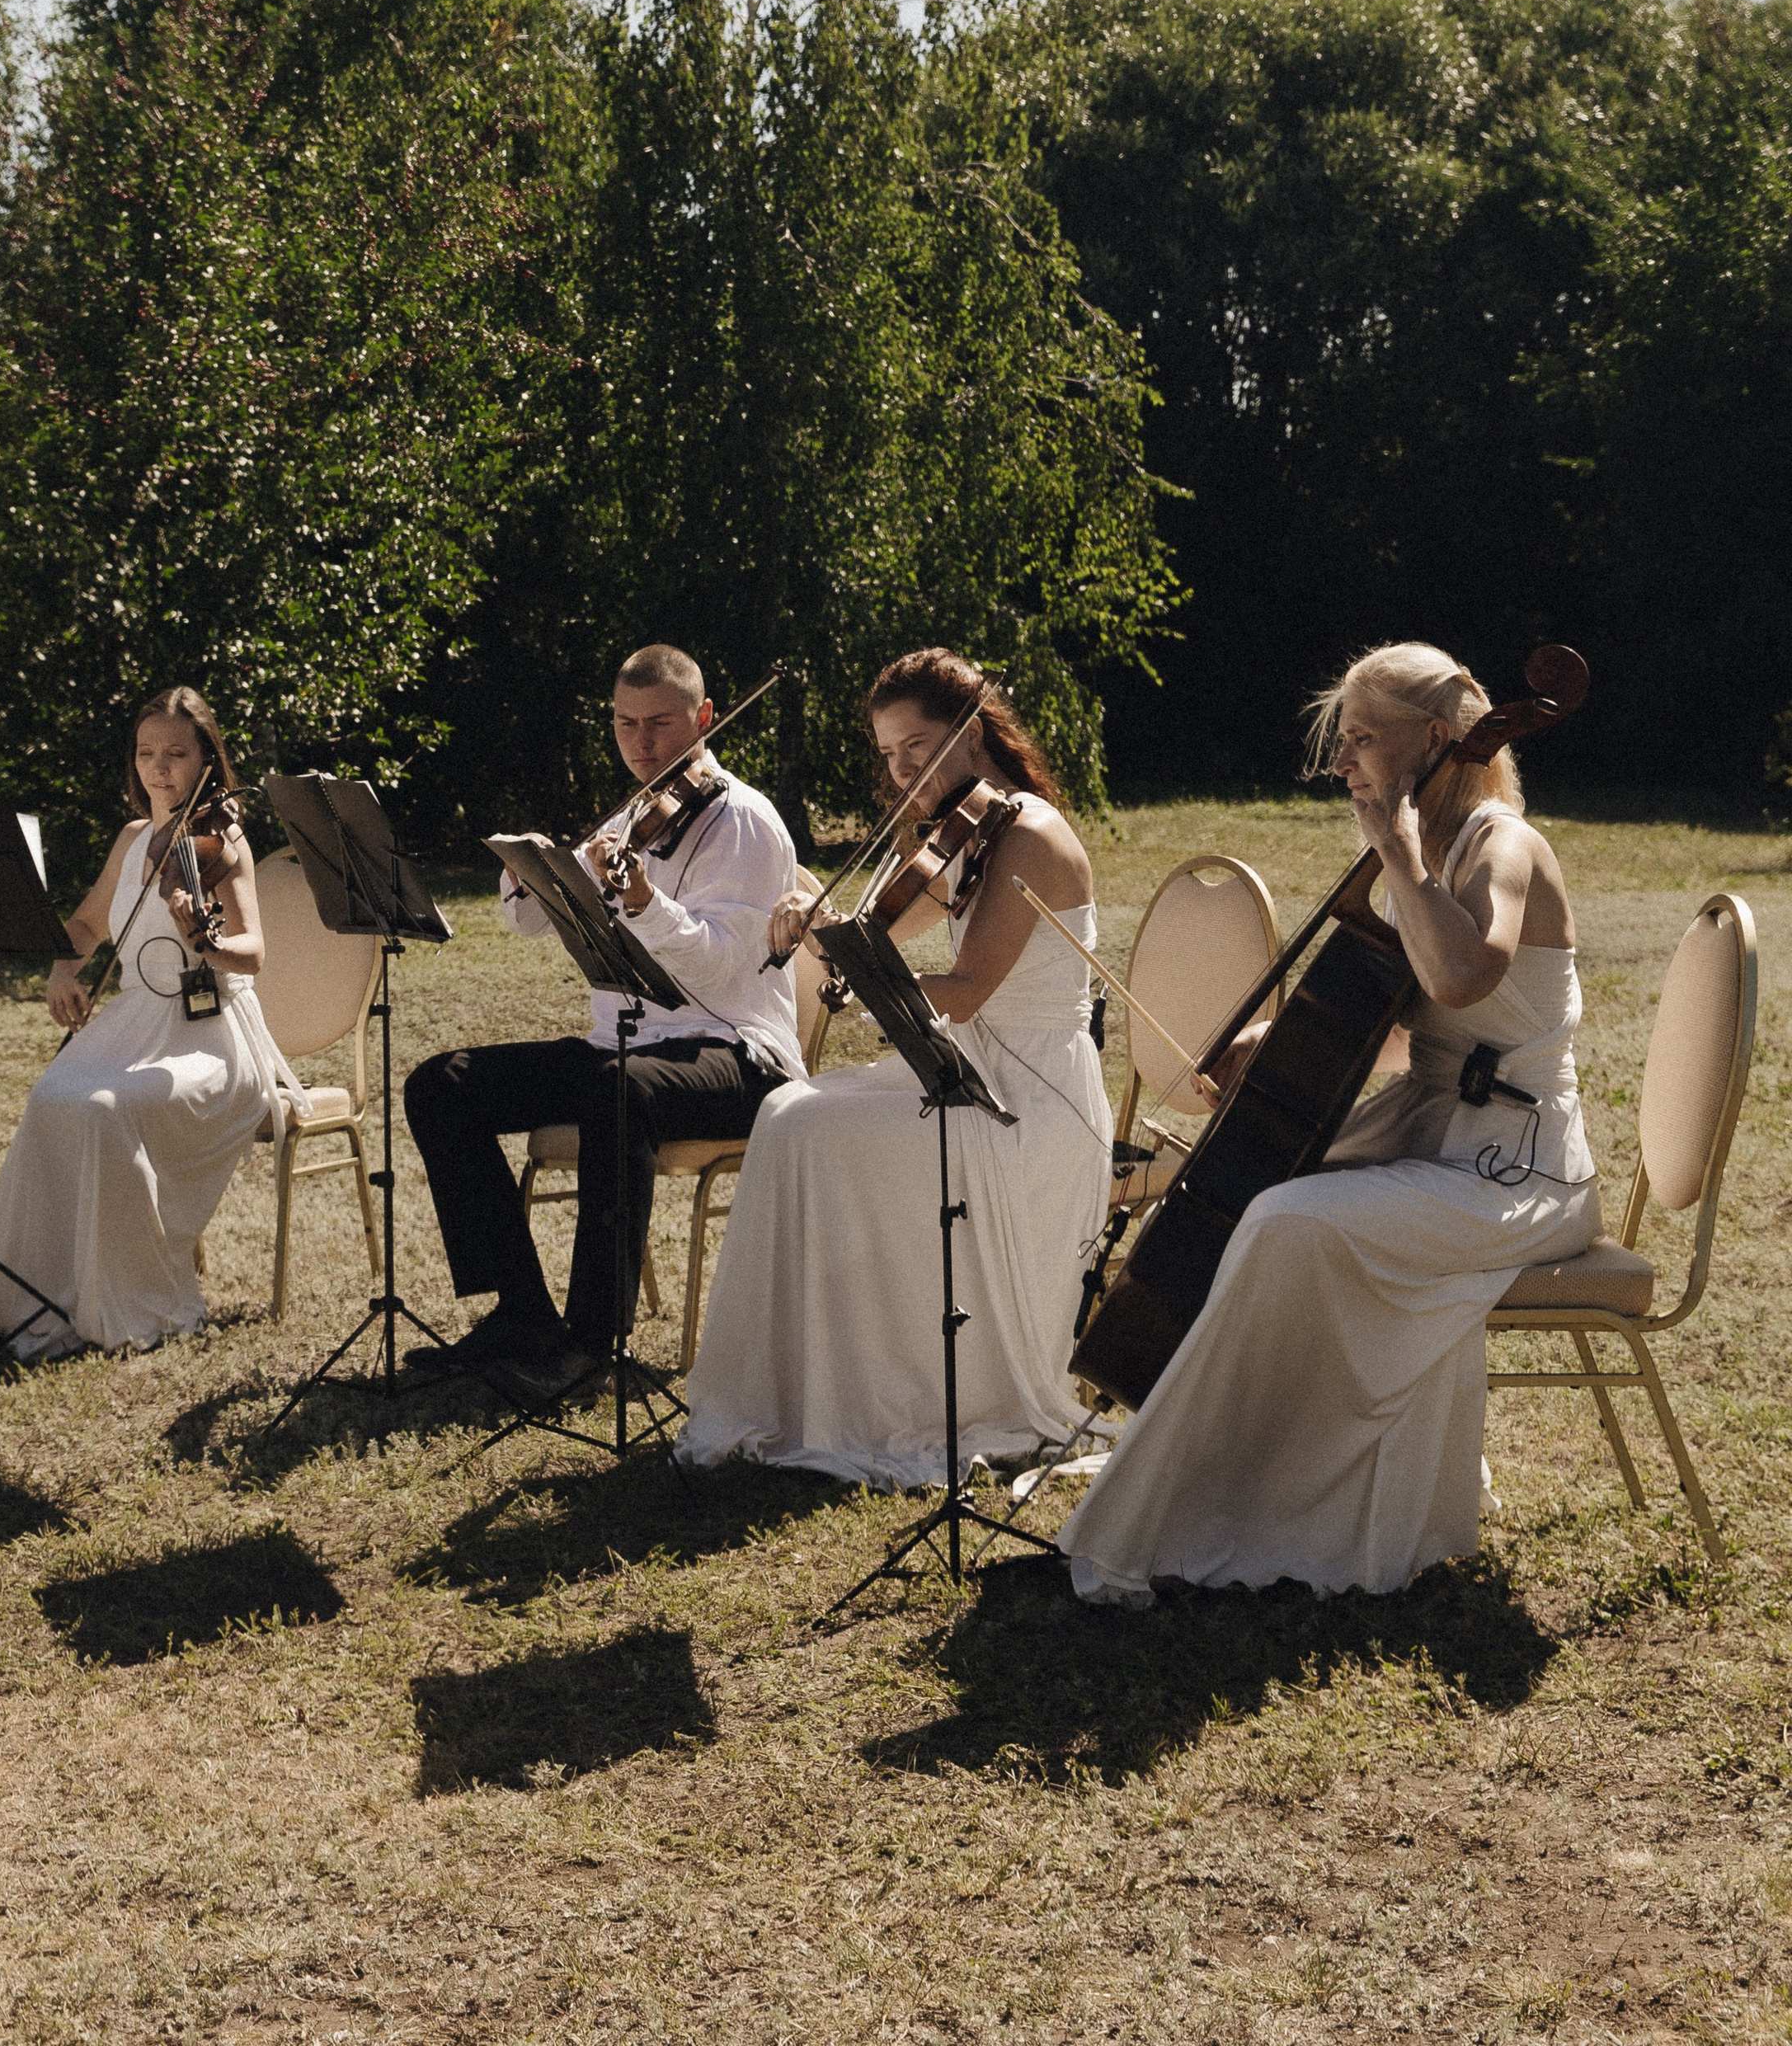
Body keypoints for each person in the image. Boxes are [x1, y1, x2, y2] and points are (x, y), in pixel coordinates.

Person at [1060, 642, 1604, 1605]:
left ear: (1436, 741)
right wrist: (1277, 1036)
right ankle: (1235, 1483)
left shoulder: (1498, 842)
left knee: (1286, 1222)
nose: (1342, 762)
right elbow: (1413, 1022)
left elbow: (1463, 977)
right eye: (1341, 741)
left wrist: (1397, 852)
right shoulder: (1426, 851)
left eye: (1360, 739)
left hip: (1519, 1174)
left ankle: (1264, 1503)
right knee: (1257, 1189)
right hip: (1434, 1136)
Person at [676, 648, 1112, 1487]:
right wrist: (823, 919)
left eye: (916, 745)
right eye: (887, 753)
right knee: (790, 1113)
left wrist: (864, 975)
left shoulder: (1027, 834)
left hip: (1031, 1099)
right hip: (973, 1071)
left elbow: (966, 989)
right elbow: (894, 927)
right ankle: (801, 1391)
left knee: (809, 1127)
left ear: (971, 729)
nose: (901, 768)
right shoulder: (972, 830)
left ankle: (887, 1392)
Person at [402, 646, 801, 1404]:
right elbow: (529, 925)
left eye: (660, 724)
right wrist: (527, 876)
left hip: (737, 1052)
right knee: (442, 1085)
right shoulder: (628, 818)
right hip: (626, 1047)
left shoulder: (745, 821)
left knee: (620, 1092)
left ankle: (593, 1346)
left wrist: (648, 903)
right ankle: (521, 1313)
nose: (641, 744)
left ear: (705, 719)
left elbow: (719, 970)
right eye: (625, 724)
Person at [0, 687, 300, 1360]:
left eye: (177, 753)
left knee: (106, 1109)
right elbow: (88, 925)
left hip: (209, 1032)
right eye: (147, 753)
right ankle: (38, 1290)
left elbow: (253, 953)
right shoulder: (131, 840)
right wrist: (62, 971)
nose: (160, 768)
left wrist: (203, 941)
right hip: (133, 1020)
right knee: (50, 1097)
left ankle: (130, 1298)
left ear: (208, 756)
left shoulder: (222, 839)